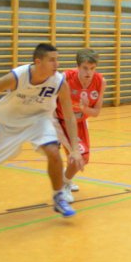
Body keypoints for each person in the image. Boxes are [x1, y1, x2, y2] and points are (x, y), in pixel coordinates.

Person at [0, 43, 84, 218]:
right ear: (38, 62)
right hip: (10, 124)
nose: (56, 64)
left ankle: (58, 196)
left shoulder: (59, 82)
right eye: (52, 60)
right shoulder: (19, 76)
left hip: (39, 121)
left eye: (57, 60)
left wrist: (74, 149)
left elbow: (69, 116)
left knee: (53, 151)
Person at [54, 48, 106, 202]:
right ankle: (63, 185)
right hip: (61, 120)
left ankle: (66, 178)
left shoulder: (100, 82)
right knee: (80, 157)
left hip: (80, 121)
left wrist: (84, 108)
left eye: (92, 68)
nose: (89, 72)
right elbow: (49, 100)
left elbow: (96, 112)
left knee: (82, 157)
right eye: (85, 68)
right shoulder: (65, 78)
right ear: (77, 66)